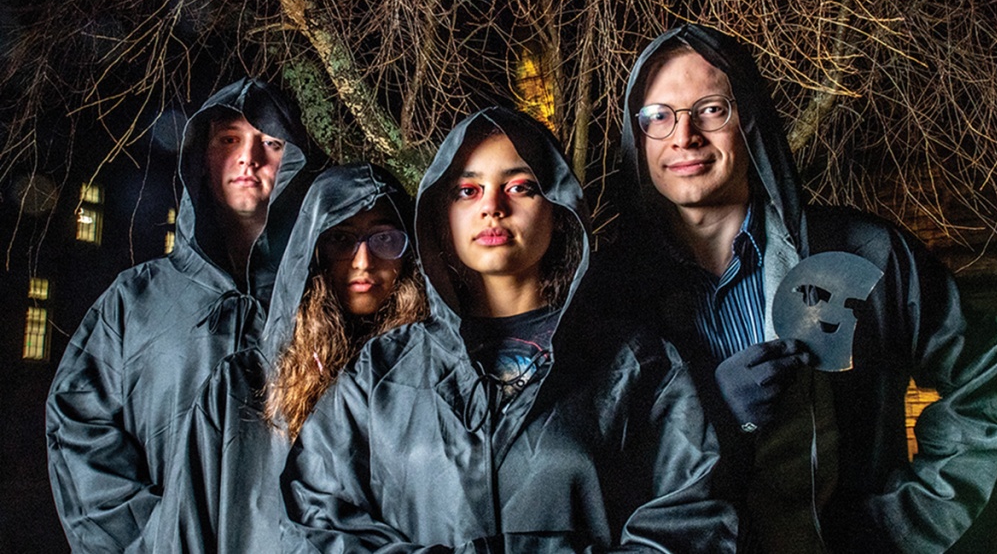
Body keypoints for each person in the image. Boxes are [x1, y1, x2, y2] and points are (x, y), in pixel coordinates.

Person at [601, 23, 997, 552]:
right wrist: (711, 416)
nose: (684, 136)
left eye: (711, 109)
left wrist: (907, 525)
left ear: (751, 120)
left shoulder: (863, 255)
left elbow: (991, 382)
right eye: (659, 116)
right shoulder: (607, 296)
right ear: (637, 136)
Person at [280, 107, 737, 552]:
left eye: (520, 187)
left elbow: (689, 520)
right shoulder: (379, 372)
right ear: (441, 216)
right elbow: (318, 513)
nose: (492, 208)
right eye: (468, 191)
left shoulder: (635, 363)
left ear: (558, 207)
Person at [46, 78, 319, 553]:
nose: (249, 158)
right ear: (202, 157)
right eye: (229, 140)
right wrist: (154, 536)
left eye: (271, 143)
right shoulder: (136, 300)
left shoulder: (321, 300)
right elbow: (78, 426)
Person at [155, 163, 428, 552]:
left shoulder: (429, 382)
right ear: (311, 249)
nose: (363, 261)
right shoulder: (243, 384)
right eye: (340, 239)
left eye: (384, 238)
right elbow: (188, 529)